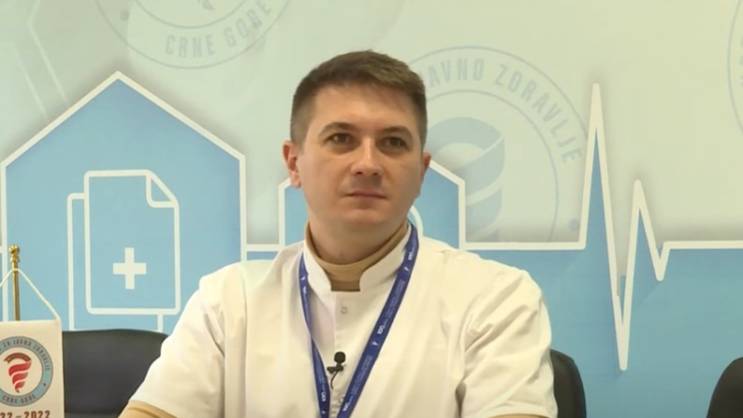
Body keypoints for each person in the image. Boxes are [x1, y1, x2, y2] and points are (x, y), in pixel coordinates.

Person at [120, 50, 557, 418]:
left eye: (393, 143)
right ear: (294, 163)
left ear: (421, 172)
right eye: (341, 139)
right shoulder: (228, 302)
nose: (368, 164)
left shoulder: (496, 300)